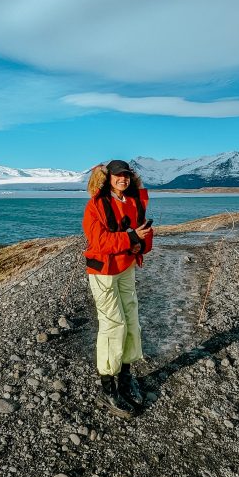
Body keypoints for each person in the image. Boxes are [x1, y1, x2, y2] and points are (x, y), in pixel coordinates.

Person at [82, 160, 154, 417]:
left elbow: (145, 231)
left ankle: (125, 377)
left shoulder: (133, 202)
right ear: (108, 178)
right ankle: (108, 386)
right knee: (113, 324)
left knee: (131, 320)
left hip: (125, 266)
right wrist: (132, 238)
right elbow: (98, 241)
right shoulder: (95, 206)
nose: (123, 179)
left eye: (126, 175)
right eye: (117, 176)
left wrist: (139, 246)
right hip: (103, 271)